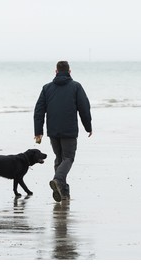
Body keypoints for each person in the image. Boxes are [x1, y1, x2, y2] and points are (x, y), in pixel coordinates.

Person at [34, 61, 92, 202]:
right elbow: (84, 108)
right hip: (69, 130)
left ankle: (63, 193)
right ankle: (58, 180)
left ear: (56, 71)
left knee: (59, 158)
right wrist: (88, 126)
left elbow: (39, 111)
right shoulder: (76, 87)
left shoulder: (47, 88)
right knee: (68, 158)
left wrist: (38, 131)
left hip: (53, 131)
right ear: (69, 71)